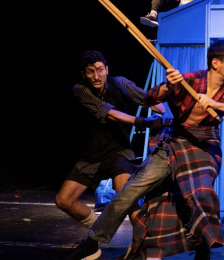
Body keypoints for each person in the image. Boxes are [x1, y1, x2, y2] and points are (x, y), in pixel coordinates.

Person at [57, 43, 224, 260]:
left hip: (204, 145)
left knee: (201, 192)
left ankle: (203, 252)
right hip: (174, 141)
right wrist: (167, 86)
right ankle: (91, 244)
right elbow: (150, 97)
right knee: (129, 191)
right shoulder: (190, 79)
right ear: (216, 63)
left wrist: (215, 104)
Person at [56, 50, 166, 229]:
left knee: (126, 197)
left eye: (100, 70)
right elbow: (110, 113)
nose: (96, 76)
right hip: (92, 155)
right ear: (84, 74)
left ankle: (144, 240)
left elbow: (149, 99)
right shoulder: (81, 90)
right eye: (90, 72)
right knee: (63, 200)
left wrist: (165, 115)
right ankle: (98, 231)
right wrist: (144, 122)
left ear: (107, 69)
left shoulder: (119, 82)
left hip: (119, 150)